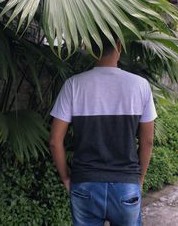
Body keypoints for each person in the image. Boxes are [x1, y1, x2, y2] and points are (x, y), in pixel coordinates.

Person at [49, 32, 157, 226]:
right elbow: (148, 141)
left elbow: (55, 141)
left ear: (91, 48)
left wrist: (66, 178)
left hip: (85, 183)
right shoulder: (140, 86)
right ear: (119, 47)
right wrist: (138, 180)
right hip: (126, 184)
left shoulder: (73, 85)